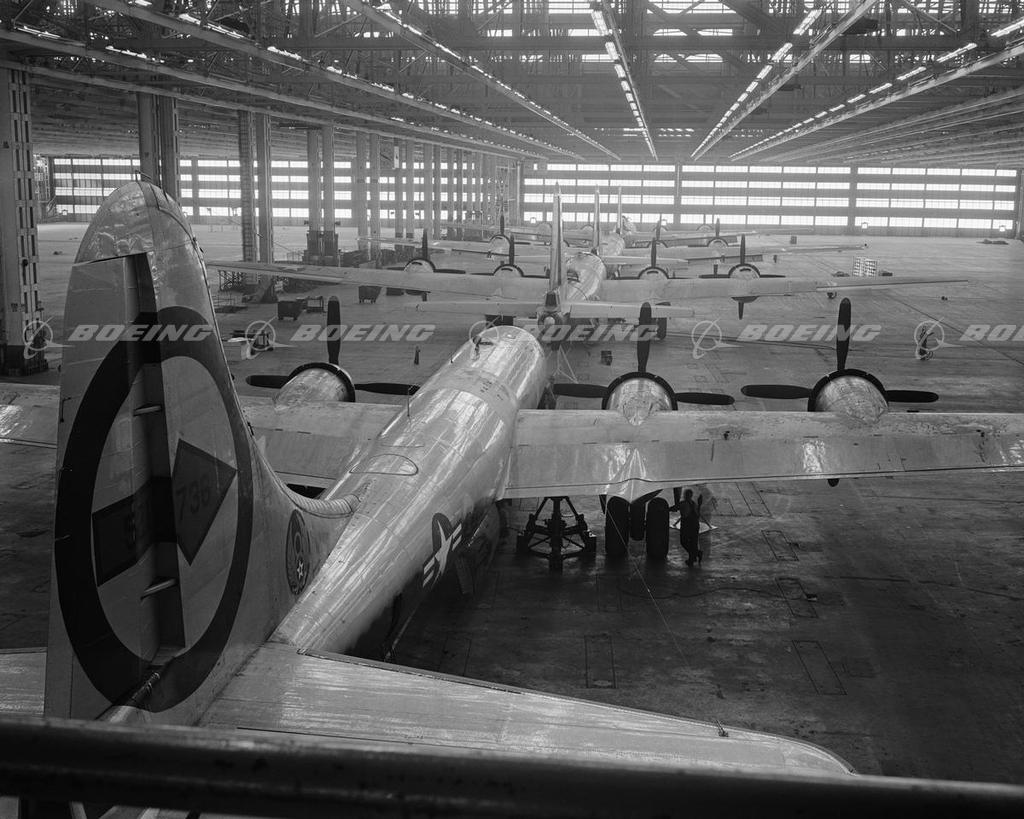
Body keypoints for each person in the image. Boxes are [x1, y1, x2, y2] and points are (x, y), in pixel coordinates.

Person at [677, 488, 703, 567]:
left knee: (684, 541)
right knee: (693, 543)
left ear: (685, 495)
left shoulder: (683, 503)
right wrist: (699, 504)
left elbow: (675, 508)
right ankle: (692, 559)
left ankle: (696, 553)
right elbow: (698, 515)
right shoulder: (694, 504)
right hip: (695, 525)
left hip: (687, 526)